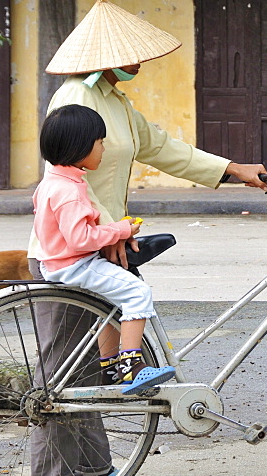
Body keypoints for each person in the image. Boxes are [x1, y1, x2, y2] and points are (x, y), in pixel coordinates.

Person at [27, 0, 267, 476]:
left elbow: (159, 146)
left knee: (92, 373)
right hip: (77, 251)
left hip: (104, 244)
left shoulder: (114, 99)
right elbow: (64, 182)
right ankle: (52, 474)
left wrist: (231, 170)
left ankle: (93, 470)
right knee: (62, 379)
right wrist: (100, 235)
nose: (139, 61)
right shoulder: (75, 99)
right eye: (131, 52)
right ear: (109, 54)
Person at [32, 104, 177, 396]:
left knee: (114, 303)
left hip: (58, 263)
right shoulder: (69, 191)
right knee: (138, 292)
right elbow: (80, 239)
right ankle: (131, 368)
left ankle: (110, 363)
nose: (103, 148)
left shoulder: (54, 182)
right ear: (80, 146)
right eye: (100, 142)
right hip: (74, 265)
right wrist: (121, 230)